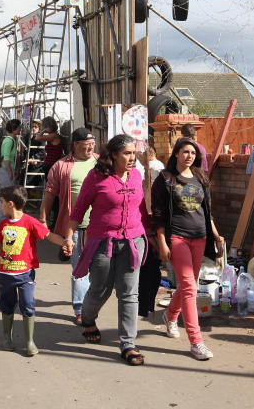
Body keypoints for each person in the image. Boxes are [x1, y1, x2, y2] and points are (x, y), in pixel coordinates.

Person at [63, 134, 150, 366]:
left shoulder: (136, 176)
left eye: (134, 153)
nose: (132, 158)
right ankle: (88, 318)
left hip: (133, 241)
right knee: (100, 290)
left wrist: (151, 235)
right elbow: (79, 208)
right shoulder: (96, 177)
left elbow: (141, 208)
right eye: (127, 153)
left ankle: (128, 344)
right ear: (113, 155)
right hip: (103, 241)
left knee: (129, 293)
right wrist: (69, 237)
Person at [151, 137, 224, 360]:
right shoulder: (166, 179)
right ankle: (197, 341)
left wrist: (216, 235)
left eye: (192, 152)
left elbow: (207, 211)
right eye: (185, 152)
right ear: (176, 154)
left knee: (187, 285)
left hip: (199, 237)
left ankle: (170, 316)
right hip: (178, 237)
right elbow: (159, 214)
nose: (189, 155)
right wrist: (162, 242)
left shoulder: (201, 177)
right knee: (190, 287)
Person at [0, 186, 70, 356]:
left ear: (10, 204)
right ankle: (7, 338)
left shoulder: (30, 222)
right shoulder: (3, 225)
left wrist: (65, 242)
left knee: (27, 305)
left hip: (25, 275)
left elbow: (48, 235)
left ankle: (29, 341)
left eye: (2, 202)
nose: (1, 205)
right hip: (4, 275)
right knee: (6, 306)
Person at [40, 127, 98, 323]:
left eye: (92, 143)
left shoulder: (100, 163)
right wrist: (43, 219)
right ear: (75, 144)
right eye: (86, 143)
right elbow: (49, 194)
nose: (91, 146)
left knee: (99, 268)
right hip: (73, 227)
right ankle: (80, 308)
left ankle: (90, 301)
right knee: (80, 268)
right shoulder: (61, 166)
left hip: (99, 227)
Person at [36, 116, 66, 227]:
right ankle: (55, 221)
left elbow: (37, 138)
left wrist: (43, 131)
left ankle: (55, 222)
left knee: (52, 194)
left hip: (52, 167)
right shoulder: (54, 136)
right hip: (51, 165)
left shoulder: (53, 136)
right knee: (53, 194)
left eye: (44, 126)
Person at [0, 119, 23, 192]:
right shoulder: (9, 141)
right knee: (5, 195)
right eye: (19, 127)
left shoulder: (12, 140)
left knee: (7, 194)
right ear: (13, 129)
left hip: (7, 170)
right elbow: (6, 157)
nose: (20, 129)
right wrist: (10, 172)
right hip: (5, 170)